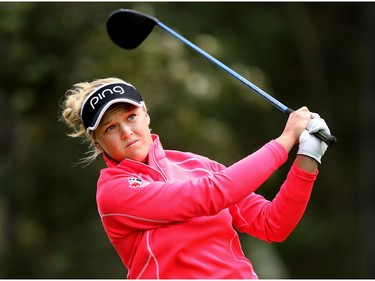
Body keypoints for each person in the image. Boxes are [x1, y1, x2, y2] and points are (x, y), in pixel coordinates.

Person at [60, 77, 330, 279]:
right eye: (110, 127)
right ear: (97, 143)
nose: (127, 132)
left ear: (146, 115)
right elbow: (210, 194)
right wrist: (284, 141)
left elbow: (272, 224)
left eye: (131, 117)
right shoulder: (115, 191)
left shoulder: (196, 164)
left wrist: (308, 156)